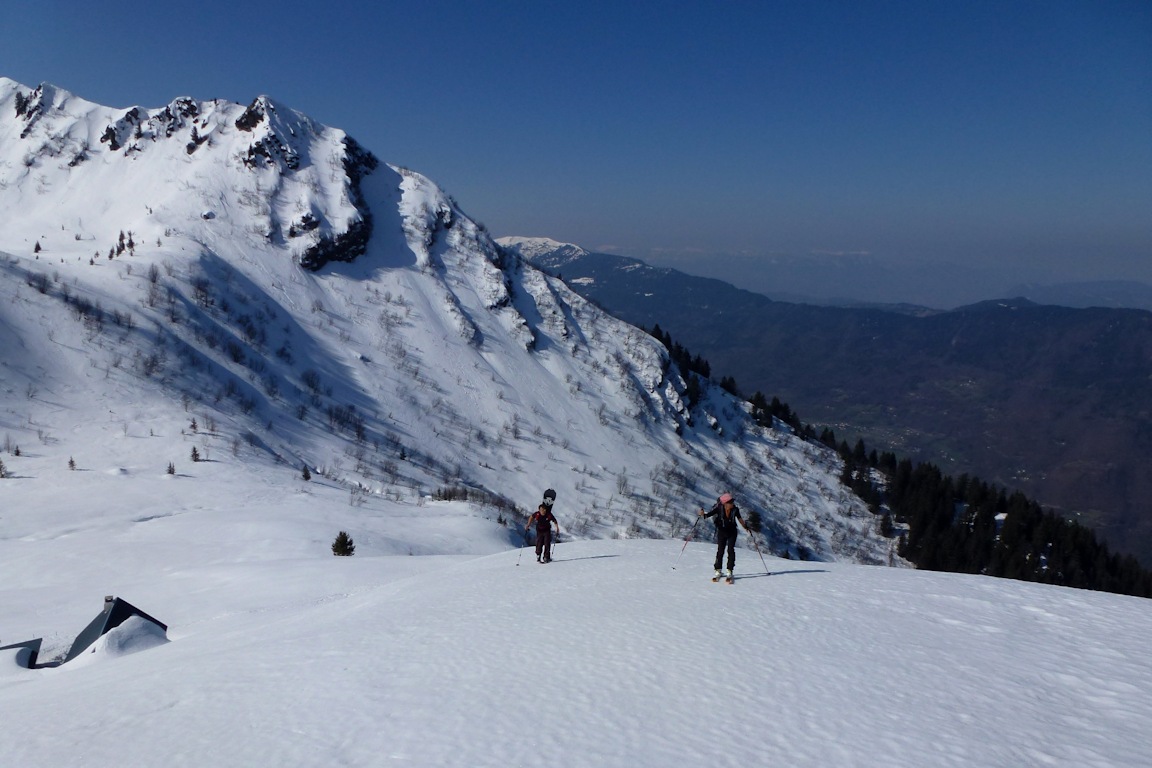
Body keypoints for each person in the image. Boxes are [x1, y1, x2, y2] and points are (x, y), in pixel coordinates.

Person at [699, 492, 749, 582]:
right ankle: (718, 570)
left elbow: (740, 519)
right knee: (720, 550)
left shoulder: (735, 510)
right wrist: (702, 514)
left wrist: (746, 527)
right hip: (722, 532)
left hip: (732, 532)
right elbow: (708, 515)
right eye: (730, 502)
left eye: (732, 502)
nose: (732, 504)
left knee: (730, 550)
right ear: (725, 503)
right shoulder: (719, 508)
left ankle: (729, 570)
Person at [526, 489, 560, 563]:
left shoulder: (549, 514)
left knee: (547, 543)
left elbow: (554, 520)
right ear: (539, 510)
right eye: (542, 510)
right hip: (539, 530)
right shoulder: (537, 514)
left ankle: (546, 557)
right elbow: (531, 517)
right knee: (539, 543)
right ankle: (538, 555)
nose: (543, 511)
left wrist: (557, 527)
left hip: (547, 530)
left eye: (544, 510)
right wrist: (528, 525)